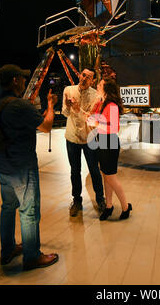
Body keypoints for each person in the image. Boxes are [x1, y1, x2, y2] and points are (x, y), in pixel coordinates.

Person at [0, 64, 59, 271]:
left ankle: (9, 249)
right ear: (14, 81)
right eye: (22, 78)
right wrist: (50, 104)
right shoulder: (20, 105)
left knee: (8, 207)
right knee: (29, 212)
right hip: (21, 168)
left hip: (2, 165)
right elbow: (46, 126)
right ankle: (32, 256)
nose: (24, 81)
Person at [62, 67, 106, 217]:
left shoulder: (96, 95)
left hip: (89, 138)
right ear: (80, 75)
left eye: (88, 77)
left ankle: (100, 200)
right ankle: (77, 200)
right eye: (83, 75)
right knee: (75, 171)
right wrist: (68, 107)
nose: (84, 78)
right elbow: (65, 113)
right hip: (72, 137)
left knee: (94, 170)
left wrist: (77, 108)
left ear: (93, 81)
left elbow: (92, 119)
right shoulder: (68, 89)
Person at [88, 79, 132, 221]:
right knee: (106, 176)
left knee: (111, 178)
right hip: (102, 142)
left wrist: (95, 124)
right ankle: (109, 206)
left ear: (106, 88)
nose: (97, 86)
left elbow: (114, 129)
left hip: (110, 142)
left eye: (99, 85)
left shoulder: (111, 105)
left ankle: (125, 207)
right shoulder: (103, 103)